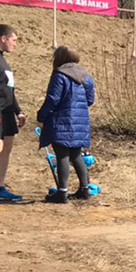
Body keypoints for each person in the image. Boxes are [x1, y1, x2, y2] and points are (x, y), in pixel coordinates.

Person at [35, 46, 96, 203]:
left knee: (62, 154)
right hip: (80, 122)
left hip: (61, 120)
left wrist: (41, 116)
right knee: (76, 155)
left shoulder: (59, 75)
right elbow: (90, 100)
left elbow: (53, 99)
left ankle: (62, 192)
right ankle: (85, 189)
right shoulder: (86, 76)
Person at [0, 24, 26, 202]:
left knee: (6, 146)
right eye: (14, 40)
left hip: (6, 111)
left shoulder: (3, 61)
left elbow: (9, 89)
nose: (15, 44)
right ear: (3, 38)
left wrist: (18, 111)